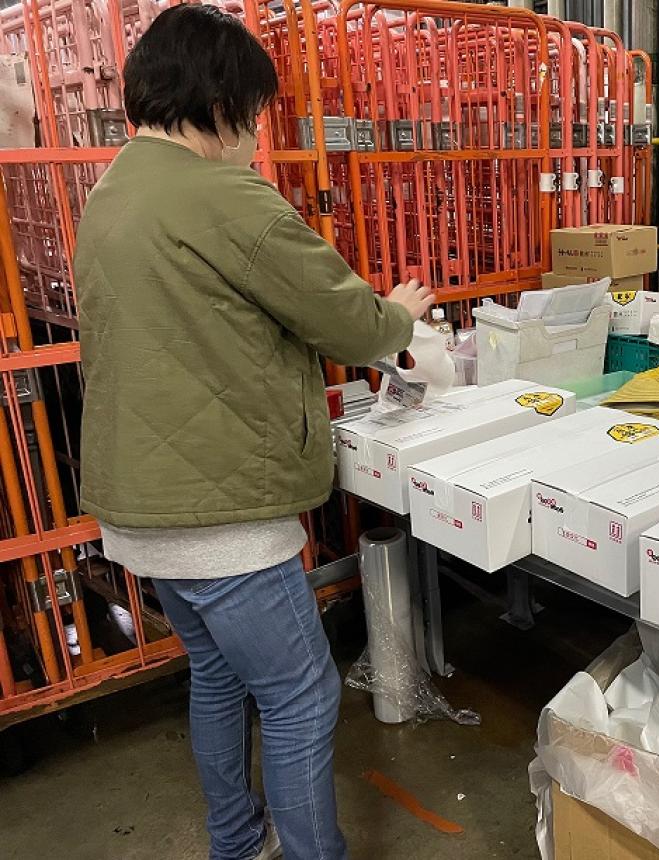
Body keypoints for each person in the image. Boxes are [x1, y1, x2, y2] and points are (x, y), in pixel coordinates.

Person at [74, 6, 434, 859]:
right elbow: (342, 320)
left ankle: (237, 843)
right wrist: (397, 314)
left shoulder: (112, 192)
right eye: (255, 112)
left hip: (138, 509)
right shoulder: (223, 196)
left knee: (217, 676)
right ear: (220, 104)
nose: (256, 133)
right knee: (302, 694)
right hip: (221, 515)